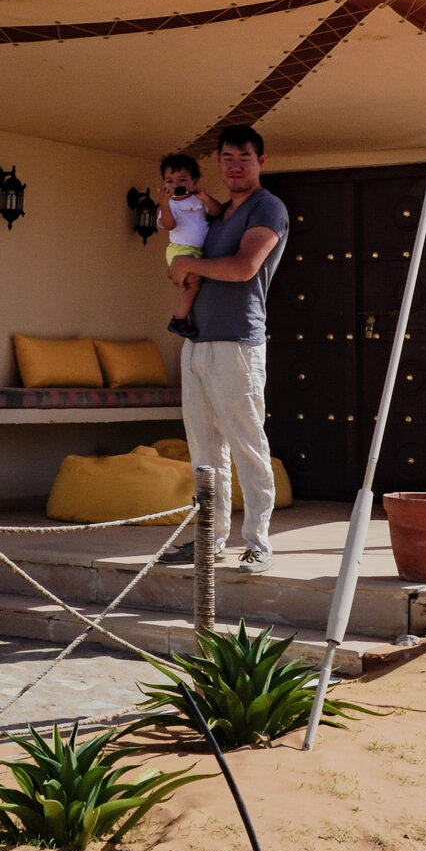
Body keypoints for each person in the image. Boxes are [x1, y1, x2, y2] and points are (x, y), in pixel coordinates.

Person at [157, 124, 288, 574]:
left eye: (244, 157)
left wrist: (190, 265)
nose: (235, 165)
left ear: (261, 162)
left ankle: (257, 543)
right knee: (204, 449)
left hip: (237, 343)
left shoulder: (267, 208)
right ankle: (209, 540)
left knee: (248, 444)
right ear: (217, 162)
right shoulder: (218, 213)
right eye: (227, 157)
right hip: (197, 342)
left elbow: (244, 267)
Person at [154, 152, 219, 339]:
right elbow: (169, 225)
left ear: (194, 182)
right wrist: (164, 204)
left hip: (197, 251)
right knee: (193, 285)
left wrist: (205, 197)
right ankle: (179, 320)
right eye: (169, 181)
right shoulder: (170, 205)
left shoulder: (198, 201)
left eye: (182, 180)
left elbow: (217, 211)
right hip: (180, 251)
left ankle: (181, 318)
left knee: (198, 283)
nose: (175, 185)